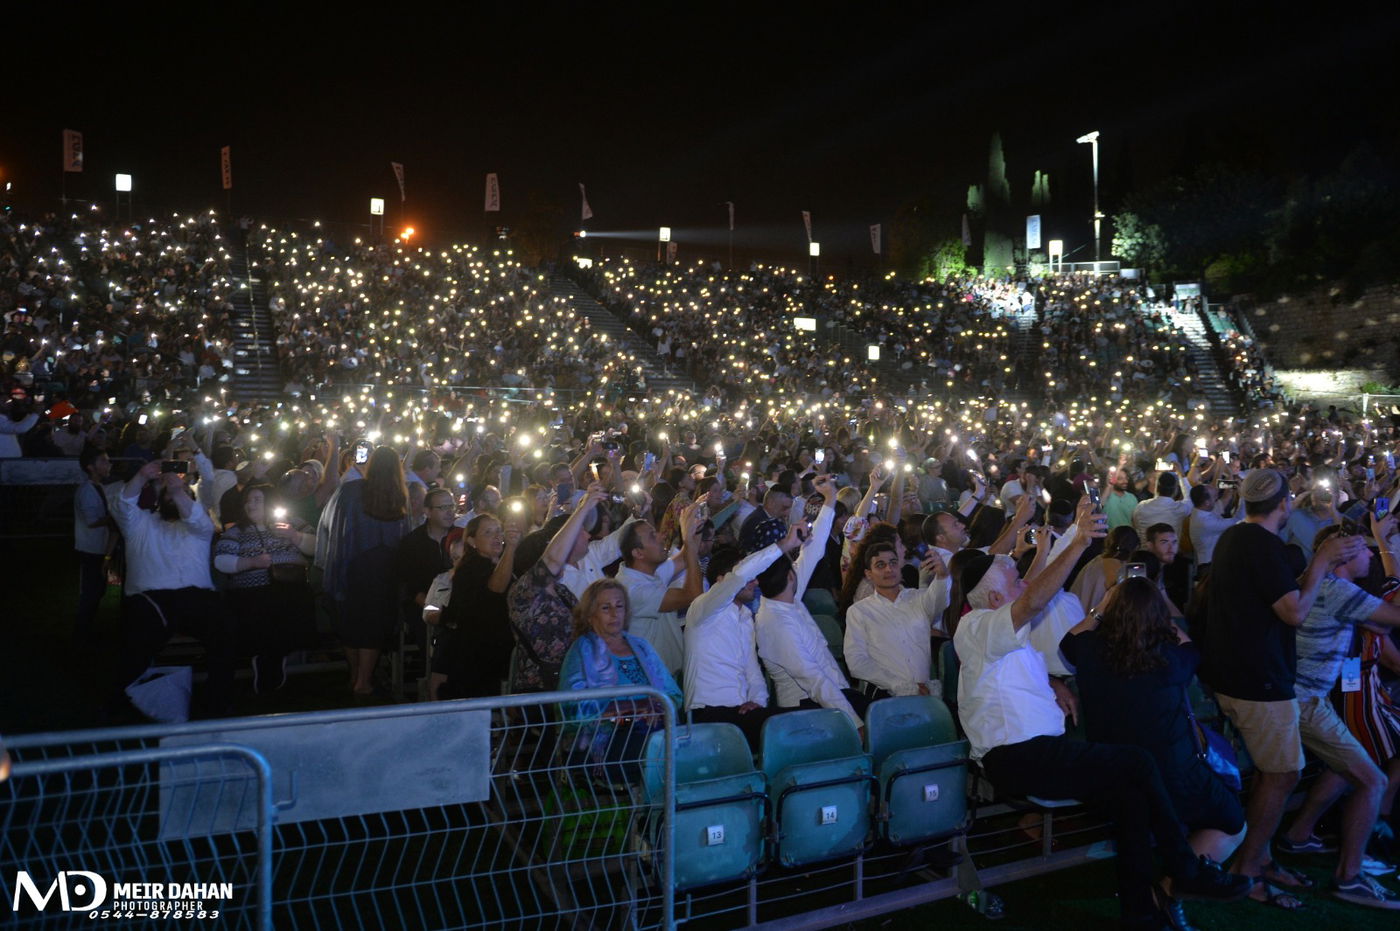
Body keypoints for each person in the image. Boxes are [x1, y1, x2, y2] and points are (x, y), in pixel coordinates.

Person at [955, 499, 1252, 928]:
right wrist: (1077, 541)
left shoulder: (1002, 637)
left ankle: (1141, 912)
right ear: (997, 596)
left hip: (1041, 749)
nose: (1025, 582)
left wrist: (1052, 684)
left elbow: (1014, 661)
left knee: (1130, 793)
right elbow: (1034, 600)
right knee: (1135, 760)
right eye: (1016, 579)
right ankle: (1185, 867)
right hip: (1017, 757)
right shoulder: (978, 624)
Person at [1199, 468, 1369, 909]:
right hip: (1260, 681)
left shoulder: (1236, 538)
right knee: (1282, 775)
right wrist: (1322, 561)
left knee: (1275, 772)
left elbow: (1272, 594)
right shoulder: (1262, 545)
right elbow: (1294, 612)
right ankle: (1248, 869)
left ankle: (1264, 857)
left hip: (1235, 674)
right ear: (1284, 505)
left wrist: (1319, 562)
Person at [1062, 578, 1247, 927]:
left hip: (1112, 777)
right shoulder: (1174, 659)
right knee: (1234, 824)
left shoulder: (1088, 651)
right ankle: (1170, 888)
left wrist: (1102, 606)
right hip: (1176, 777)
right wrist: (1160, 604)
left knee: (1136, 833)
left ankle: (1150, 905)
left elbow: (1070, 638)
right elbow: (1187, 640)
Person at [1272, 522, 1400, 909]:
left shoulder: (1324, 586)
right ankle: (1349, 878)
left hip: (1307, 698)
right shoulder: (1338, 590)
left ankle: (1296, 836)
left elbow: (1377, 621)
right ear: (1345, 555)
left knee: (1338, 769)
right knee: (1372, 781)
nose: (1369, 558)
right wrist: (1389, 554)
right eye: (1364, 551)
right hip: (1307, 702)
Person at [109, 458, 237, 718]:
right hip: (150, 598)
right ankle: (126, 701)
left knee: (224, 631)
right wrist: (143, 475)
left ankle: (217, 703)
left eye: (180, 496)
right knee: (137, 638)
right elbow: (123, 505)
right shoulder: (140, 524)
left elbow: (199, 519)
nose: (173, 497)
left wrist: (179, 491)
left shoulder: (198, 529)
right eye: (167, 494)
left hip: (195, 597)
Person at [755, 476, 868, 728]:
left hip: (833, 695)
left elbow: (812, 551)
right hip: (806, 710)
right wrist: (854, 723)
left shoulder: (787, 595)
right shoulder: (774, 621)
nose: (798, 566)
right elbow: (812, 679)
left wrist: (829, 500)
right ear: (789, 575)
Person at [560, 578, 684, 784]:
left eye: (619, 606)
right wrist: (629, 708)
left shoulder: (641, 646)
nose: (614, 613)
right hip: (605, 740)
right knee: (656, 753)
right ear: (591, 615)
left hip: (654, 732)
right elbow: (572, 707)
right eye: (605, 607)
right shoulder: (583, 650)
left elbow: (673, 694)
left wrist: (655, 706)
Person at [683, 536, 797, 751]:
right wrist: (783, 545)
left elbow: (752, 671)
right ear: (720, 581)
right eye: (750, 577)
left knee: (802, 721)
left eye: (755, 577)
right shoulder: (702, 610)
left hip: (742, 712)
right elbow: (739, 576)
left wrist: (758, 703)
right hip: (707, 713)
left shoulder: (745, 615)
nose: (755, 582)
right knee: (789, 729)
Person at [317, 446, 414, 698]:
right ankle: (364, 679)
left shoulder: (350, 491)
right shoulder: (398, 497)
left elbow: (331, 524)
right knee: (373, 623)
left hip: (352, 566)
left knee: (352, 621)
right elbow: (405, 536)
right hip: (384, 571)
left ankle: (355, 675)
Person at [212, 482, 316, 693]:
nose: (251, 505)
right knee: (265, 606)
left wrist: (295, 537)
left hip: (291, 589)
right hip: (253, 592)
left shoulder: (292, 523)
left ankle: (270, 660)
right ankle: (272, 661)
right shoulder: (237, 531)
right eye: (249, 501)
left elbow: (318, 546)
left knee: (289, 602)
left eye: (257, 500)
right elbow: (221, 560)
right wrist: (250, 563)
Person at [508, 485, 608, 692]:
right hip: (542, 690)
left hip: (574, 681)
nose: (588, 537)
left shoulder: (562, 592)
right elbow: (552, 558)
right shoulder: (525, 593)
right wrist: (583, 508)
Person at [842, 540, 951, 698]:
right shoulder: (859, 611)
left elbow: (941, 599)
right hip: (885, 695)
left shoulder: (919, 598)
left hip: (925, 692)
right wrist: (898, 684)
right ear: (868, 574)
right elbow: (856, 662)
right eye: (880, 565)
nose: (889, 569)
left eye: (893, 563)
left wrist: (942, 574)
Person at [434, 511, 521, 699]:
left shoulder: (502, 563)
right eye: (488, 533)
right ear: (472, 541)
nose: (497, 537)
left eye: (499, 531)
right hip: (479, 650)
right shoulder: (470, 568)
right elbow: (496, 588)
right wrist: (511, 549)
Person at [615, 503, 703, 675]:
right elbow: (693, 594)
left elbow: (686, 557)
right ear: (638, 553)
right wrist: (687, 540)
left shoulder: (646, 572)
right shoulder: (632, 589)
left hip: (665, 676)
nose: (662, 536)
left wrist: (695, 524)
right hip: (653, 683)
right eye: (652, 537)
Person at [74, 445, 115, 642]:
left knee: (97, 590)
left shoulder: (98, 487)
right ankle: (83, 630)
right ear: (91, 467)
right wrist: (114, 516)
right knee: (92, 591)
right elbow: (92, 521)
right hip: (91, 548)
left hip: (97, 546)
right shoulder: (87, 491)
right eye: (104, 461)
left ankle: (86, 628)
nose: (108, 464)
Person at [1070, 524, 1139, 613]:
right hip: (1090, 621)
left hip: (1074, 616)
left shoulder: (1097, 560)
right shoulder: (1119, 568)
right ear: (1135, 547)